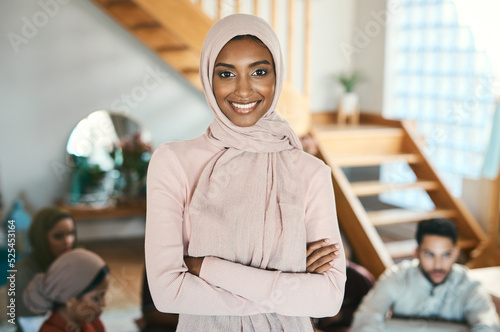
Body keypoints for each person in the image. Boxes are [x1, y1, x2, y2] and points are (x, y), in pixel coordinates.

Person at [145, 13, 346, 331]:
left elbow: (328, 299)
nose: (243, 90)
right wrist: (288, 280)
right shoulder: (172, 163)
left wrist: (207, 269)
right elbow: (168, 293)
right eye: (226, 73)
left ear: (276, 76)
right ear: (207, 79)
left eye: (259, 72)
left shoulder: (310, 172)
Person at [351, 218, 500, 331]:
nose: (438, 264)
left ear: (456, 254)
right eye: (430, 254)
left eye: (446, 255)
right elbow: (367, 316)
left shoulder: (470, 285)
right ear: (417, 253)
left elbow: (487, 323)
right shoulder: (397, 277)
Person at [16, 206, 77, 331]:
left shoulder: (72, 263)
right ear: (41, 238)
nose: (68, 241)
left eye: (71, 233)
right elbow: (31, 325)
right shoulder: (23, 273)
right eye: (58, 236)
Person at [23, 248, 109, 332]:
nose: (104, 304)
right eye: (96, 299)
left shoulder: (93, 323)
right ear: (69, 298)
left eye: (103, 295)